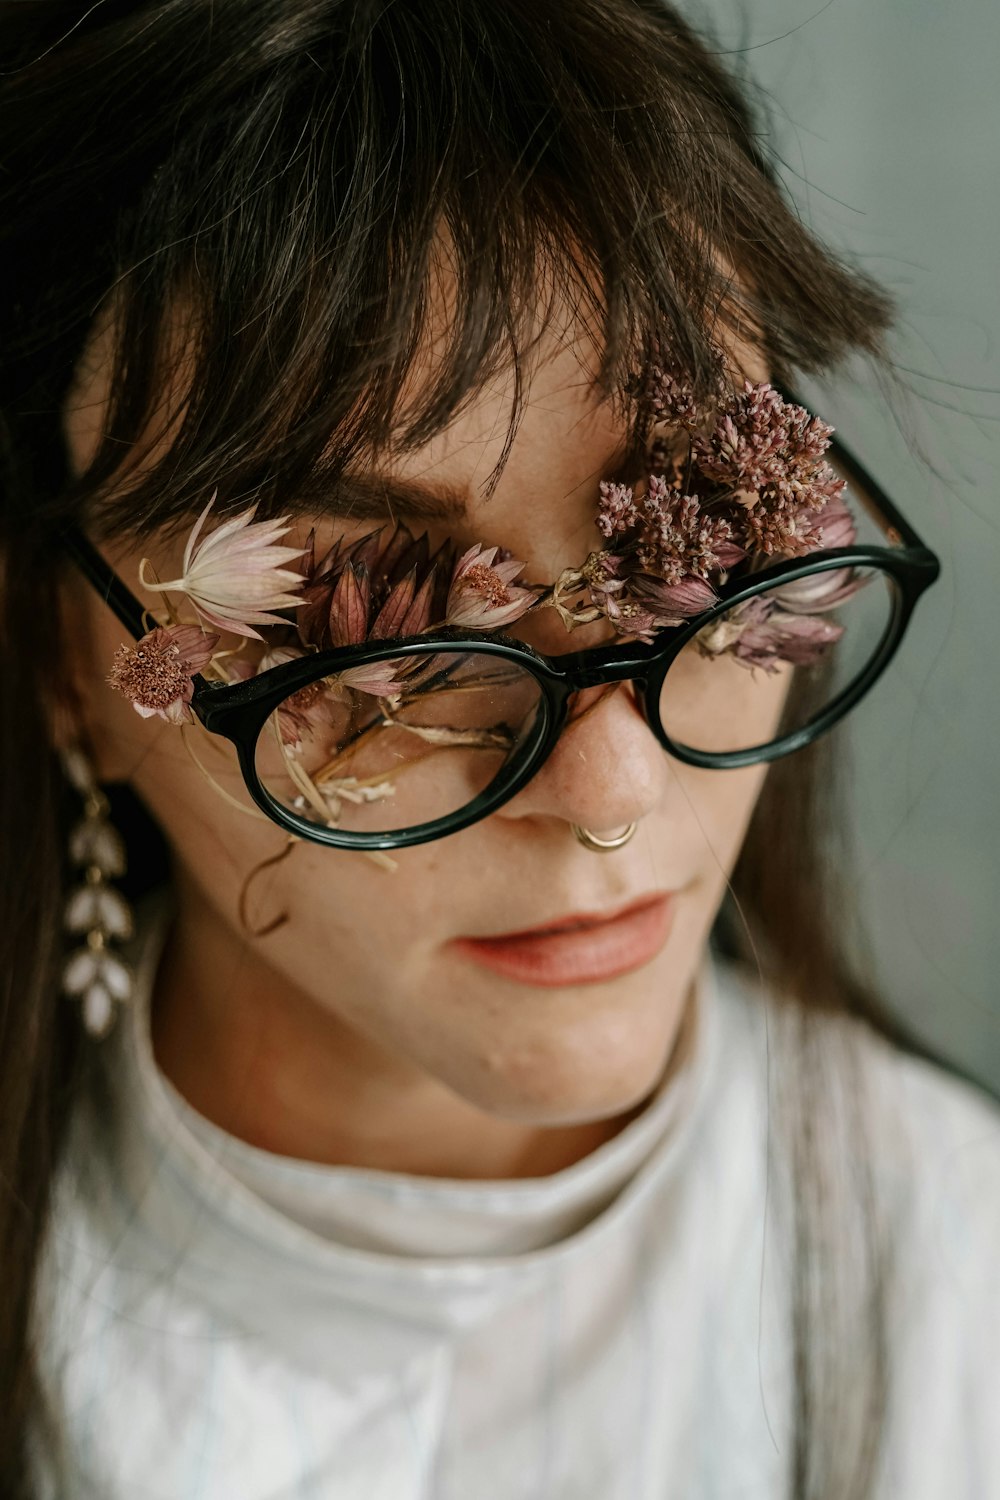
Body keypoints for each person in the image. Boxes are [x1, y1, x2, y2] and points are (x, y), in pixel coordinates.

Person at [1, 3, 997, 1497]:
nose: (613, 793)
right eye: (368, 637)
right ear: (58, 656)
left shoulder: (956, 1303)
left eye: (707, 544)